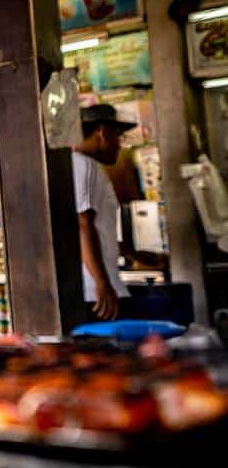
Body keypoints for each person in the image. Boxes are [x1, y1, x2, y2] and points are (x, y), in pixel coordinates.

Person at [74, 104, 165, 321]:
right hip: (95, 293)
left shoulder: (88, 167)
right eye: (118, 137)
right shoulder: (82, 165)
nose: (120, 145)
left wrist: (134, 254)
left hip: (100, 288)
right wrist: (101, 283)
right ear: (102, 132)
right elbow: (83, 224)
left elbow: (98, 229)